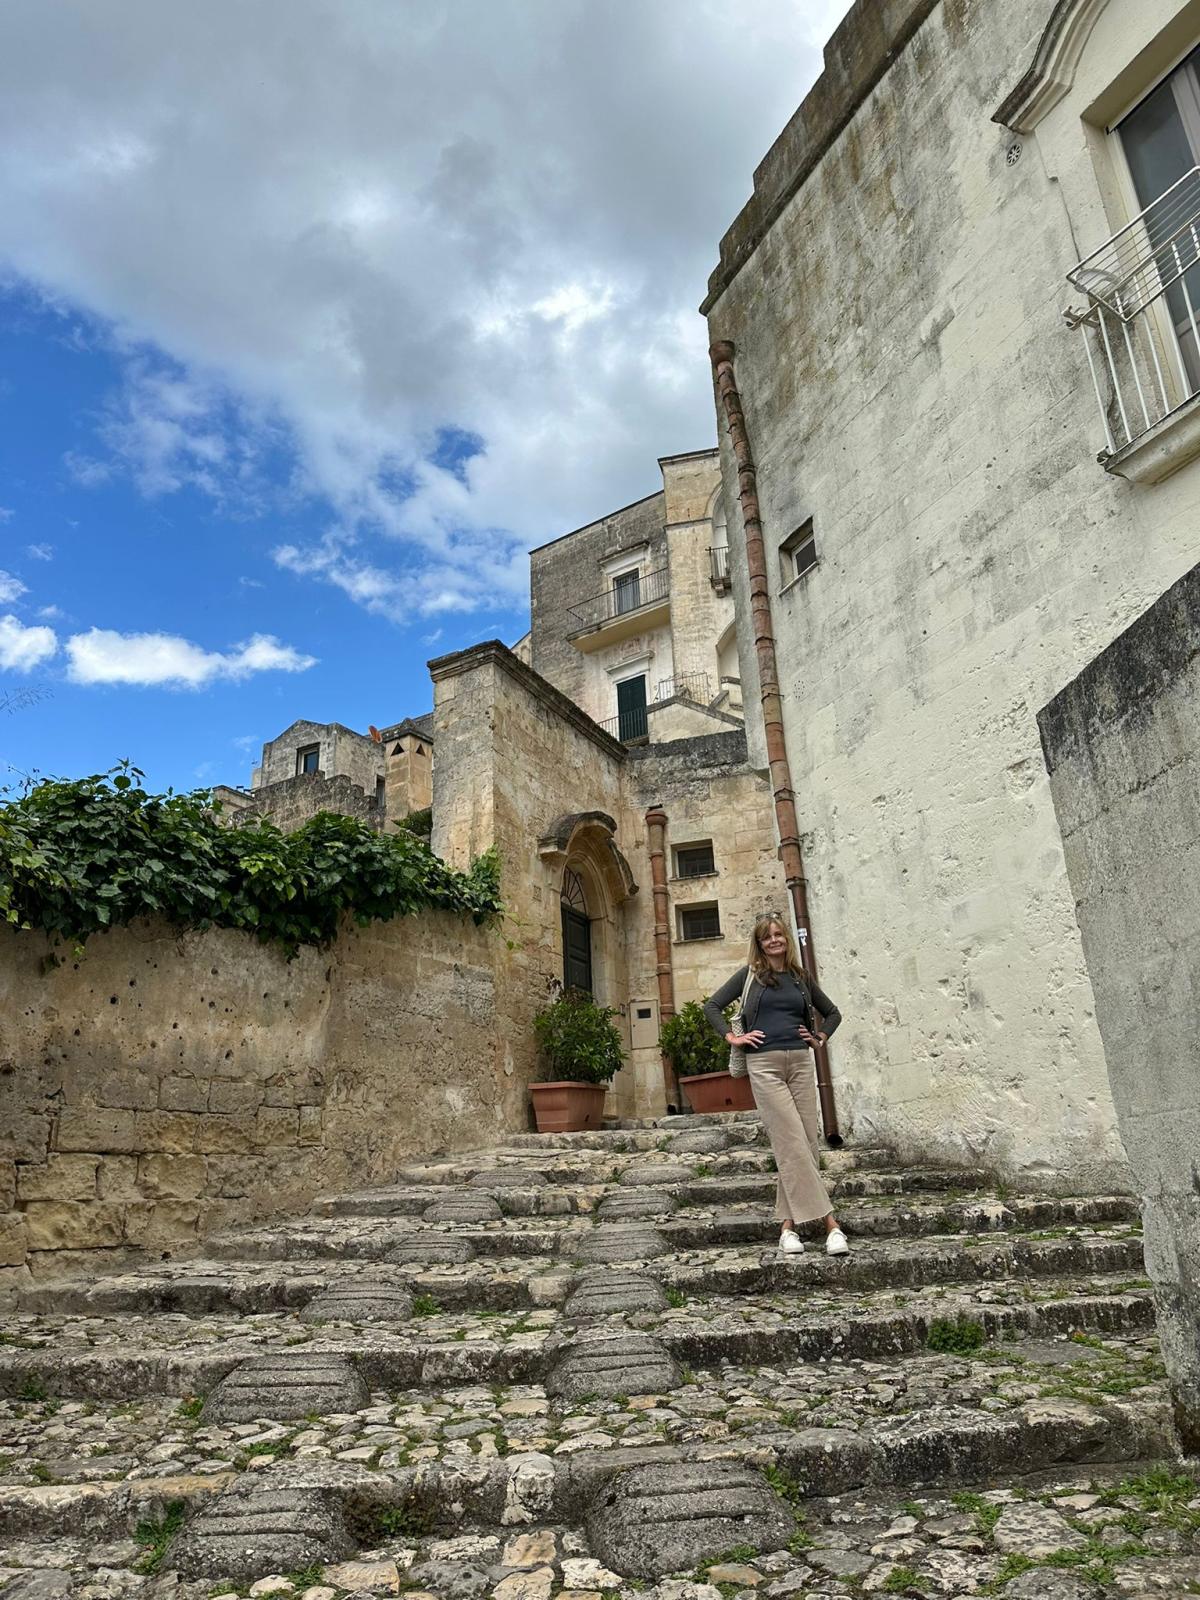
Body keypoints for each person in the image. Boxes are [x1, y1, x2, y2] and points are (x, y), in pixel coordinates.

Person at [704, 913, 849, 1257]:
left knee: (805, 1142)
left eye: (778, 935)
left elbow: (833, 1013)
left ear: (786, 939)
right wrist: (733, 1037)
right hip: (764, 1064)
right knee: (791, 1140)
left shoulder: (800, 978)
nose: (774, 940)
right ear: (760, 943)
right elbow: (712, 1006)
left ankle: (788, 1229)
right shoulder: (750, 977)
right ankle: (832, 1225)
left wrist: (819, 1037)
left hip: (800, 1061)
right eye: (767, 937)